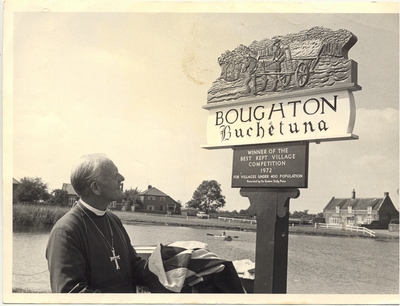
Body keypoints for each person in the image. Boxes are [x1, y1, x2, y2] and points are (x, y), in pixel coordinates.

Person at [46, 153, 153, 293]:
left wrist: (171, 264)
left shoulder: (113, 220)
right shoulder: (65, 231)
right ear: (96, 187)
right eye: (115, 176)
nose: (122, 178)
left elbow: (135, 267)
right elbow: (71, 295)